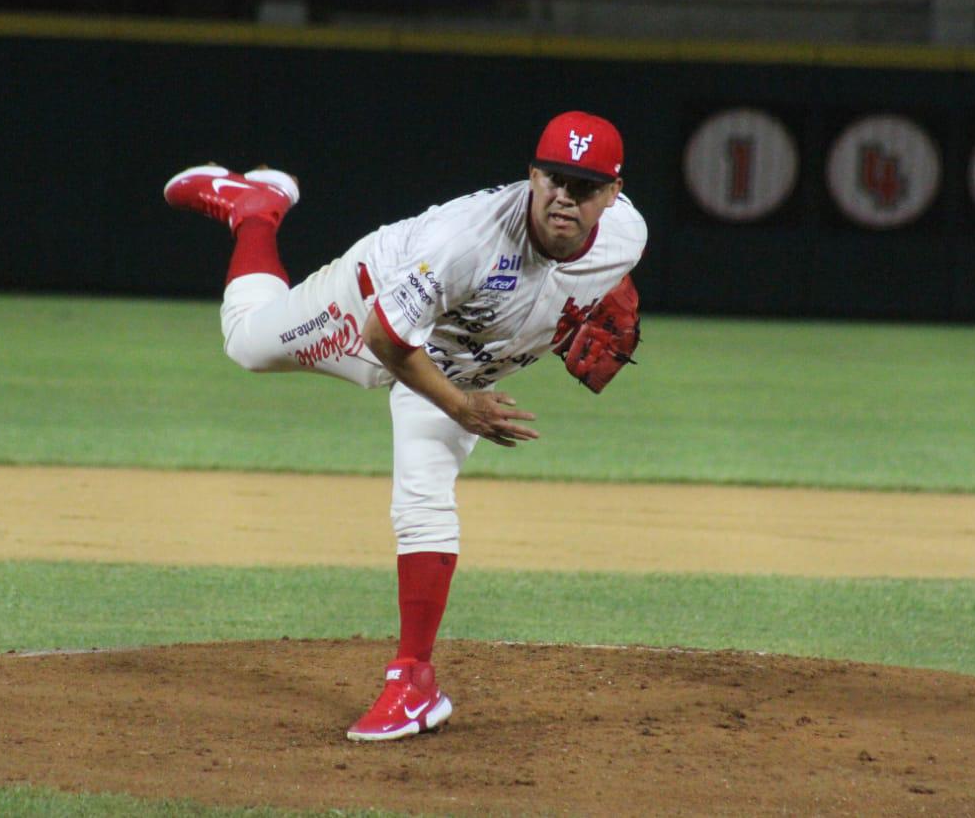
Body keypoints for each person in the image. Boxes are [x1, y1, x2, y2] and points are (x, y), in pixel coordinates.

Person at [164, 111, 647, 741]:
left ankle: (413, 681)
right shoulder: (467, 242)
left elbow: (577, 279)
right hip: (371, 305)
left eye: (584, 187)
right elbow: (386, 338)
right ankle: (256, 210)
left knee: (424, 499)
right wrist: (460, 407)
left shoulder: (626, 235)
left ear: (612, 194)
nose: (565, 198)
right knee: (246, 344)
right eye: (554, 179)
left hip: (463, 356)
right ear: (532, 175)